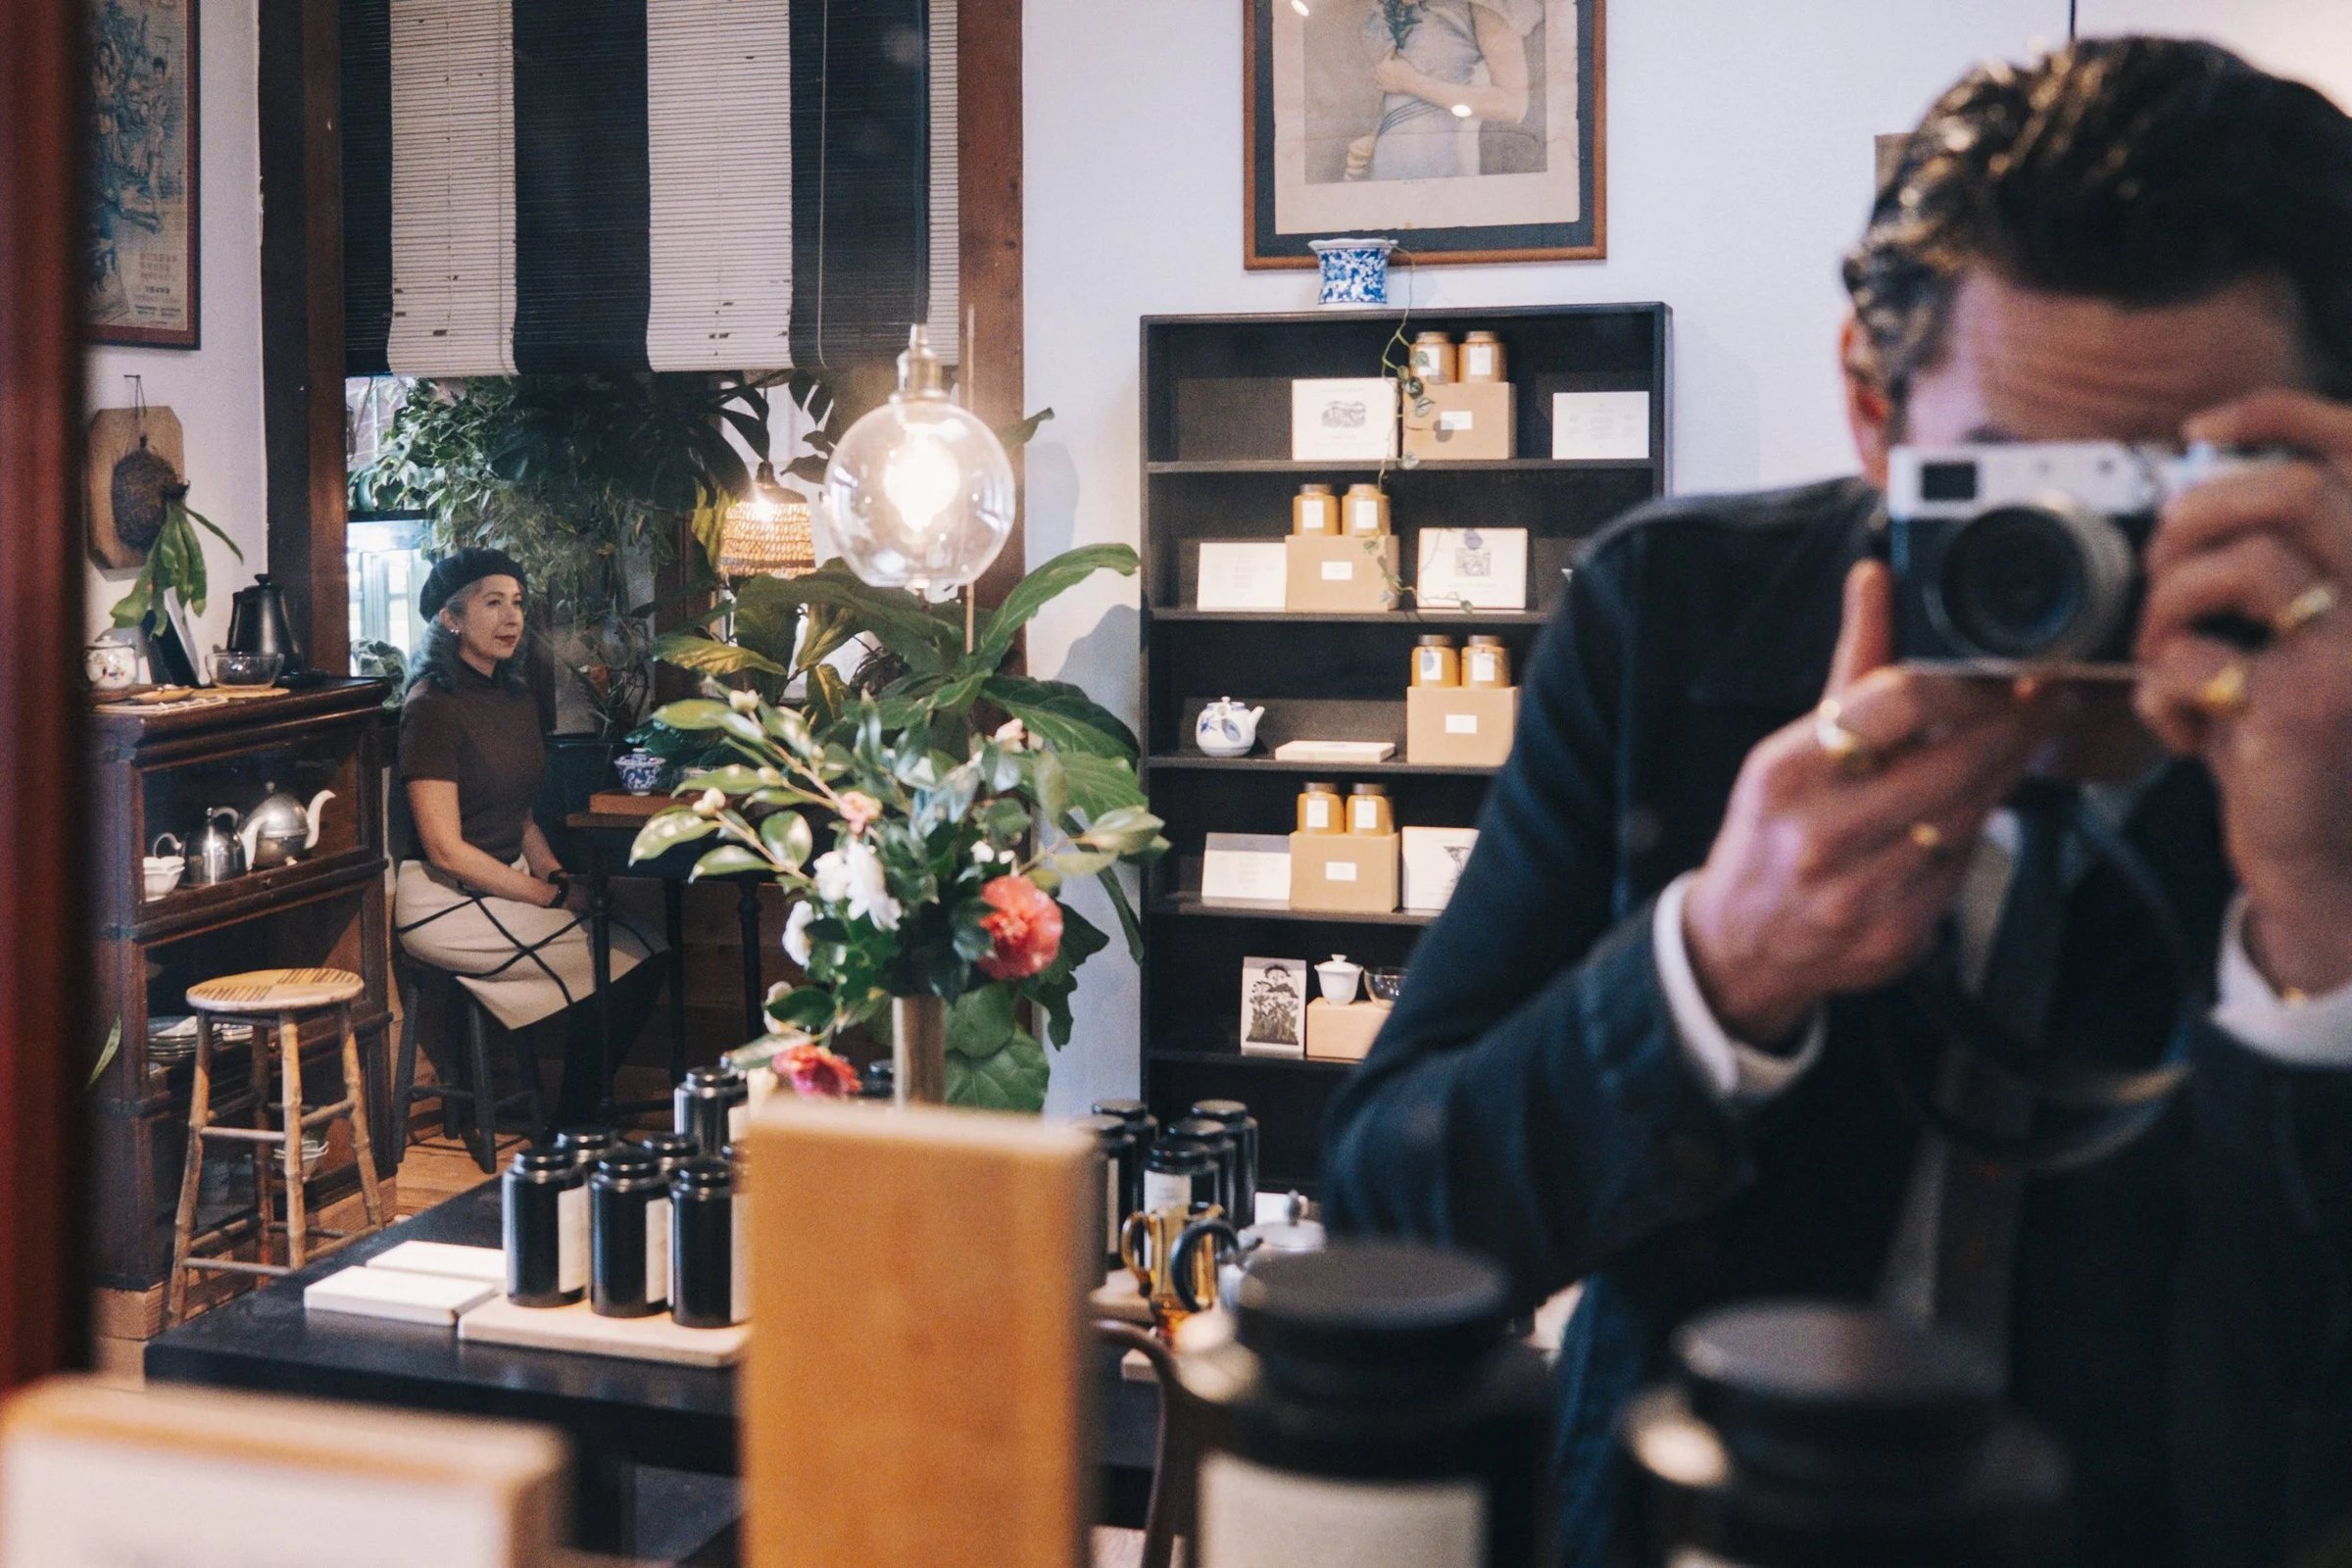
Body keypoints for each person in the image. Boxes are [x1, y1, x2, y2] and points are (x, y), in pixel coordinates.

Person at [1322, 38, 2352, 1566]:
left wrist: (2321, 942)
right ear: (1874, 415)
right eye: (2028, 489)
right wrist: (1713, 970)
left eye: (2181, 488)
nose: (2103, 571)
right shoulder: (1670, 620)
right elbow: (1390, 1217)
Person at [394, 547, 661, 1125]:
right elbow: (445, 849)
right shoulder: (431, 707)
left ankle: (576, 1120)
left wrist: (555, 874)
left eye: (517, 603)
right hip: (445, 901)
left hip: (502, 885)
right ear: (451, 617)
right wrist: (550, 898)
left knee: (642, 950)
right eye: (493, 603)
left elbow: (522, 818)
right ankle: (574, 1131)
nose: (511, 618)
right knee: (619, 963)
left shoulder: (515, 698)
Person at [1345, 0, 1536, 182]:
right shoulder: (1387, 6)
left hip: (1445, 168)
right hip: (1388, 165)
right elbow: (1398, 84)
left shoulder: (1481, 6)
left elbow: (1513, 105)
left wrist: (1413, 83)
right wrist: (1375, 137)